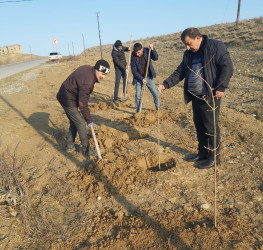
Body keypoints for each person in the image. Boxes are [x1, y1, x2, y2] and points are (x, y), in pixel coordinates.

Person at [158, 28, 233, 169]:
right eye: (185, 45)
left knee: (210, 127)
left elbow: (227, 67)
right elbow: (180, 72)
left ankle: (214, 157)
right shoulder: (188, 54)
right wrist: (165, 84)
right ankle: (203, 153)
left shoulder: (215, 47)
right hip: (195, 96)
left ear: (198, 38)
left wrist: (221, 87)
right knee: (199, 126)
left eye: (189, 43)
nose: (187, 47)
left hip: (210, 96)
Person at [56, 59, 110, 156]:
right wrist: (89, 120)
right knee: (80, 122)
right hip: (67, 98)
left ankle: (69, 146)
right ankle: (87, 151)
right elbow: (83, 104)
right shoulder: (88, 82)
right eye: (102, 74)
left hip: (67, 94)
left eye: (105, 75)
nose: (103, 77)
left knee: (75, 121)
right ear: (97, 69)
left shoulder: (88, 68)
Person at [131, 43, 160, 112]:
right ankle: (138, 111)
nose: (137, 54)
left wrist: (152, 49)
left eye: (138, 52)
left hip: (148, 77)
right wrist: (141, 79)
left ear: (142, 49)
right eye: (136, 53)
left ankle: (158, 108)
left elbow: (156, 58)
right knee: (138, 95)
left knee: (155, 93)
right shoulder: (133, 57)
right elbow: (134, 71)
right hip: (139, 78)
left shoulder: (147, 51)